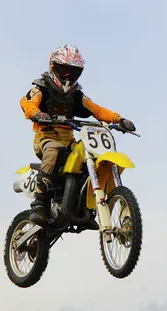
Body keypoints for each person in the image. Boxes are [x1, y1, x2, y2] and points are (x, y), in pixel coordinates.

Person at [19, 44, 136, 225]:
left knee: (86, 158)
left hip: (69, 140)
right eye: (64, 70)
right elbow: (28, 102)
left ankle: (84, 206)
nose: (68, 77)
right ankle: (39, 204)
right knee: (54, 150)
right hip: (45, 137)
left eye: (72, 72)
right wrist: (35, 113)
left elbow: (97, 109)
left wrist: (118, 119)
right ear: (53, 67)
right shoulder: (42, 87)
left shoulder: (76, 95)